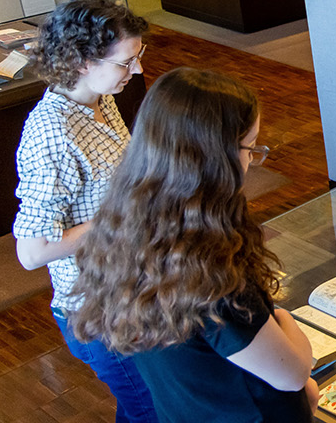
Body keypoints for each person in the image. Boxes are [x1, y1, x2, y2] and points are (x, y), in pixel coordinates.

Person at [69, 67, 316, 423]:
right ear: (216, 157)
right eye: (250, 148)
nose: (251, 161)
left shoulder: (126, 229)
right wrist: (283, 318)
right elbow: (292, 373)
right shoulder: (209, 266)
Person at [12, 0, 156, 423]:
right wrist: (121, 217)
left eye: (139, 57)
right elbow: (32, 252)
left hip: (132, 288)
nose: (138, 71)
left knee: (148, 406)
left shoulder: (101, 98)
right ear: (81, 63)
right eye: (126, 62)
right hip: (98, 310)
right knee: (151, 411)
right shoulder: (51, 135)